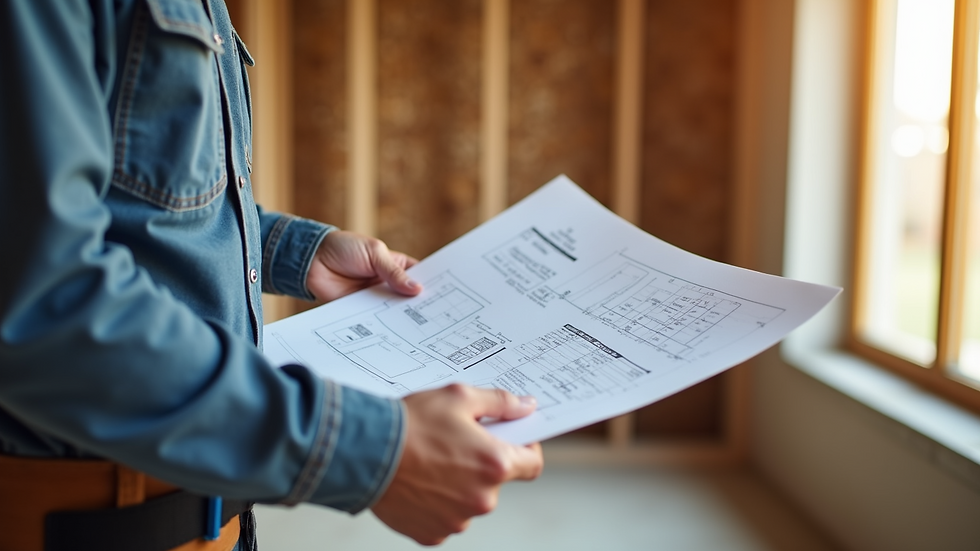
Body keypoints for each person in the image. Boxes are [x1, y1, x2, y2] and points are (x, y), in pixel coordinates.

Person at [0, 1, 544, 549]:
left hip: (216, 518)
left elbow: (138, 207)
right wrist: (369, 449)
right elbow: (42, 300)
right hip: (90, 525)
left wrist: (300, 252)